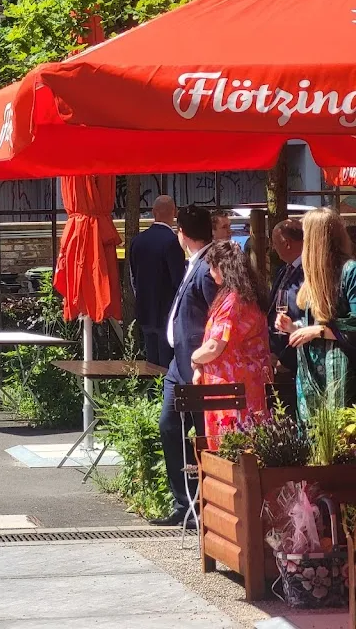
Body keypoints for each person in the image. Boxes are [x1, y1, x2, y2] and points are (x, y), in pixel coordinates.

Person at [154, 204, 218, 526]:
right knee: (170, 426)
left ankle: (206, 504)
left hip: (197, 367)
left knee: (204, 433)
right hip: (178, 366)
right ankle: (184, 502)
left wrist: (202, 358)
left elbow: (217, 317)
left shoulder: (207, 268)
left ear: (182, 233)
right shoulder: (194, 263)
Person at [276, 208, 356, 422]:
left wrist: (317, 331)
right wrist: (294, 328)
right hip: (311, 376)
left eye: (305, 234)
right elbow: (316, 325)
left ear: (317, 238)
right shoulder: (314, 273)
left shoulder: (350, 271)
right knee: (313, 434)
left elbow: (353, 325)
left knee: (339, 435)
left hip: (340, 375)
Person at [191, 240, 273, 449]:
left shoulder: (233, 301)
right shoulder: (246, 295)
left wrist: (194, 358)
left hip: (232, 387)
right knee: (248, 444)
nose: (210, 273)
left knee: (232, 446)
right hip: (246, 384)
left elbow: (215, 346)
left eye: (212, 267)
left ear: (222, 267)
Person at [129, 195, 185, 367]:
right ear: (174, 213)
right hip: (167, 313)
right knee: (167, 366)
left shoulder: (137, 241)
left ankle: (151, 386)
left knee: (151, 364)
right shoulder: (173, 242)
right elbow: (179, 282)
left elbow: (133, 278)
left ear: (153, 212)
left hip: (145, 311)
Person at [268, 219, 305, 372]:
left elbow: (304, 316)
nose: (273, 248)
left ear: (287, 244)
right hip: (277, 353)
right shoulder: (284, 269)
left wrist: (286, 360)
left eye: (275, 243)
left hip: (296, 355)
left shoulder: (308, 272)